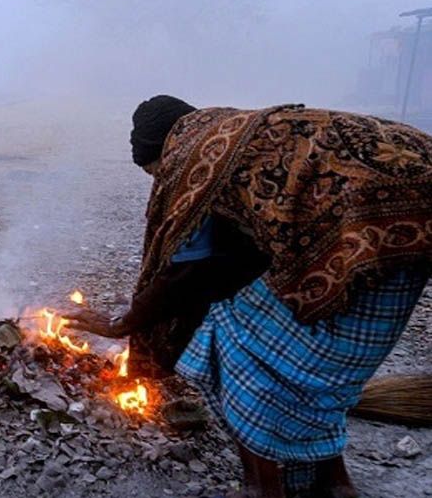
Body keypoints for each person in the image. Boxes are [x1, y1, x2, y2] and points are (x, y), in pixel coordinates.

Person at [65, 96, 432, 498]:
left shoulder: (196, 160)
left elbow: (187, 271)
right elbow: (243, 254)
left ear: (161, 152)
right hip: (404, 233)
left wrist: (125, 323)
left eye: (152, 171)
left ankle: (262, 487)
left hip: (363, 237)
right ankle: (332, 482)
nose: (157, 181)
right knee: (313, 371)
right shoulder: (240, 136)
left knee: (222, 340)